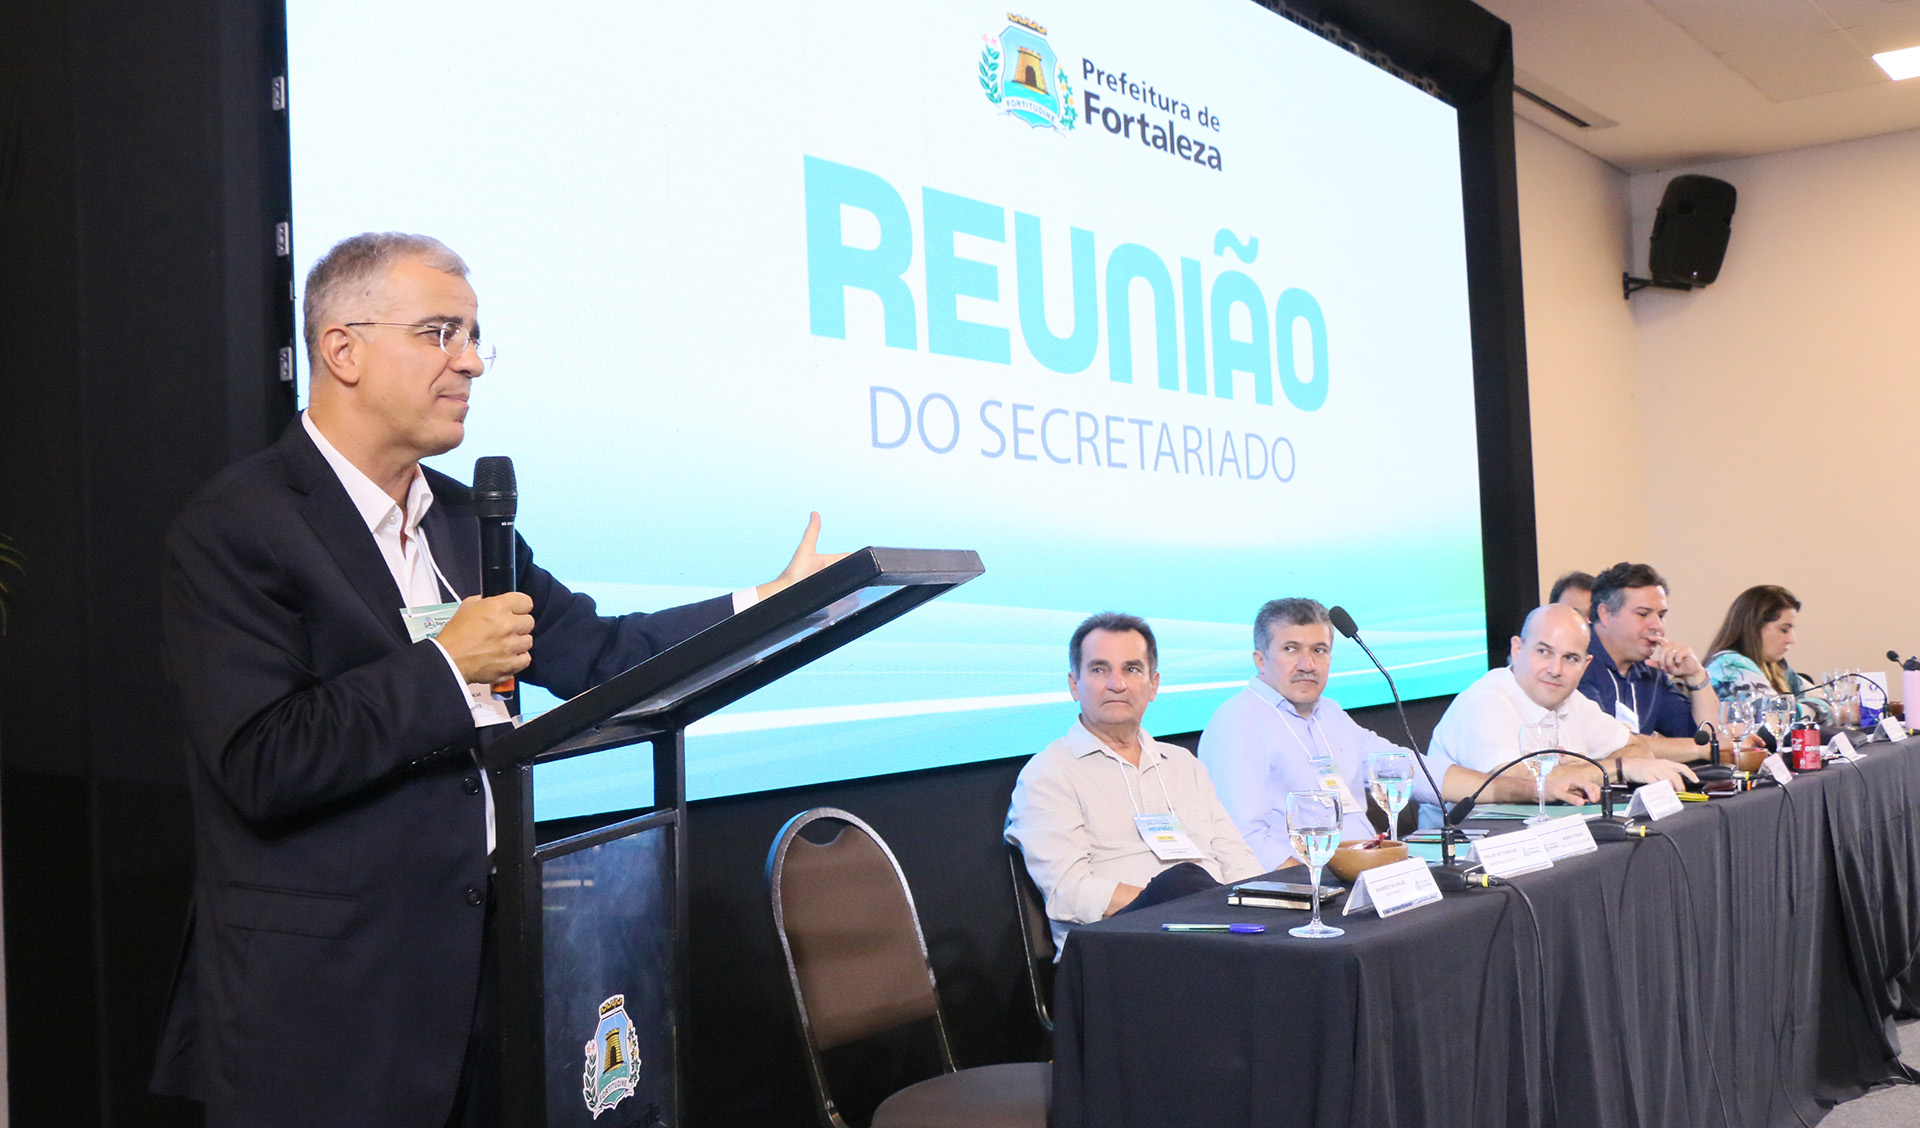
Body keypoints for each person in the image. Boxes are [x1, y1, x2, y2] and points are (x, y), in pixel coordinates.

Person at [151, 233, 844, 1128]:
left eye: (475, 336)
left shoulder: (462, 521)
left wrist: (770, 605)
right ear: (343, 350)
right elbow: (262, 760)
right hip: (327, 1013)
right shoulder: (240, 525)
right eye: (440, 332)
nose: (471, 362)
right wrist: (448, 667)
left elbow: (601, 654)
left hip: (483, 986)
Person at [1198, 598, 1602, 867]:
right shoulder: (1237, 722)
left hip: (1365, 870)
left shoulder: (1329, 714)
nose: (1307, 664)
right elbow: (1244, 839)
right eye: (1291, 649)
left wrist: (1534, 789)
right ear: (1259, 659)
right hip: (1307, 892)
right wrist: (1318, 893)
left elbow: (1415, 771)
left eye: (1319, 650)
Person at [1006, 613, 1265, 952]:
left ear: (1153, 684)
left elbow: (1236, 858)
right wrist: (1181, 906)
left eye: (1131, 669)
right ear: (1074, 684)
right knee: (1181, 882)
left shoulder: (1183, 764)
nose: (1117, 683)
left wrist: (1258, 908)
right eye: (1099, 670)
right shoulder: (1049, 773)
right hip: (1120, 950)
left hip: (1222, 935)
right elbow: (1068, 891)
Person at [1421, 604, 1698, 825]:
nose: (1556, 670)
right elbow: (1520, 782)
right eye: (1544, 652)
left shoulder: (1571, 700)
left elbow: (1639, 750)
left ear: (1585, 665)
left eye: (1570, 658)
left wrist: (1582, 769)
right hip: (1468, 855)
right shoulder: (1485, 700)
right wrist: (1618, 768)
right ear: (1517, 649)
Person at [1577, 561, 1721, 757]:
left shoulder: (1650, 672)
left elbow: (1707, 735)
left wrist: (1696, 676)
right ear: (1605, 614)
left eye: (1661, 615)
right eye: (1643, 614)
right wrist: (1703, 750)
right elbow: (1610, 743)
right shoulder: (1576, 662)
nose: (1657, 626)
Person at [1703, 584, 1831, 722]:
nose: (1792, 639)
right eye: (1784, 630)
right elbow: (1774, 718)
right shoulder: (1729, 665)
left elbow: (1826, 698)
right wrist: (1826, 712)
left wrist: (1821, 708)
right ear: (1754, 628)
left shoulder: (1775, 666)